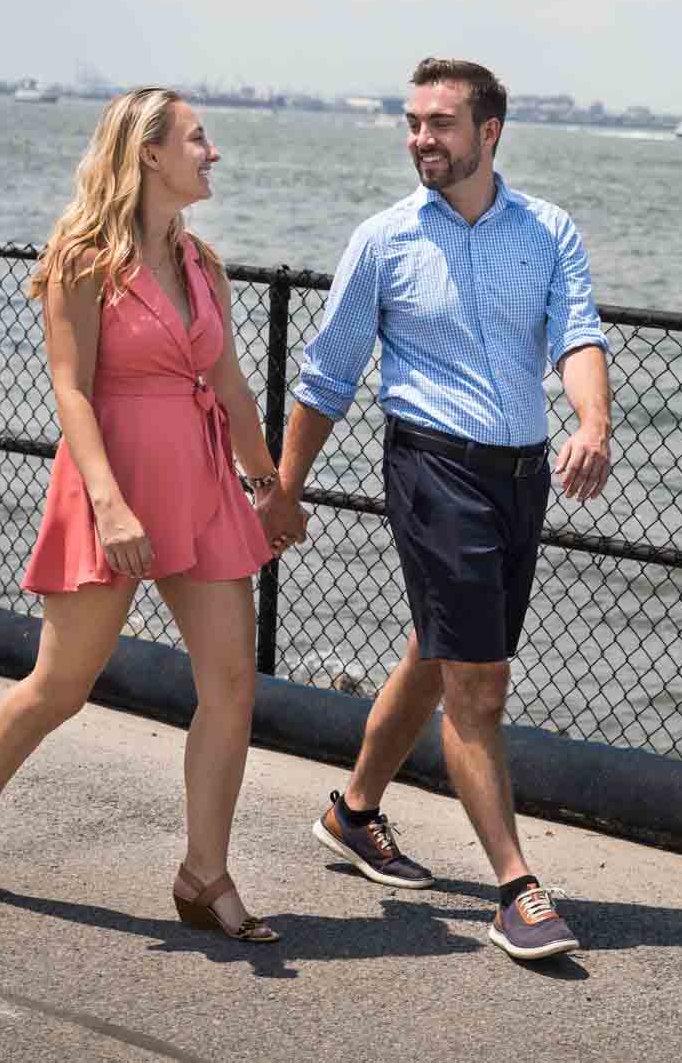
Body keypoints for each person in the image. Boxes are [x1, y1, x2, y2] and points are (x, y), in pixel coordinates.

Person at [259, 57, 612, 961]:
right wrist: (285, 487)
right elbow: (328, 373)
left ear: (488, 132)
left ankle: (353, 812)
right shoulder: (384, 240)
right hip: (431, 468)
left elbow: (577, 334)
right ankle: (516, 887)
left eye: (440, 123)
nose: (422, 137)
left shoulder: (548, 231)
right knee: (478, 682)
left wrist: (592, 420)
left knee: (439, 649)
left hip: (521, 475)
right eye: (413, 121)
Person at [0, 87, 285, 943]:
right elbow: (72, 391)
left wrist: (268, 484)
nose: (214, 152)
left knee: (233, 683)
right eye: (200, 138)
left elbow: (229, 382)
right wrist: (110, 503)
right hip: (112, 487)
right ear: (150, 154)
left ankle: (205, 874)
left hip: (200, 485)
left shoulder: (203, 262)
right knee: (63, 685)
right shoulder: (82, 256)